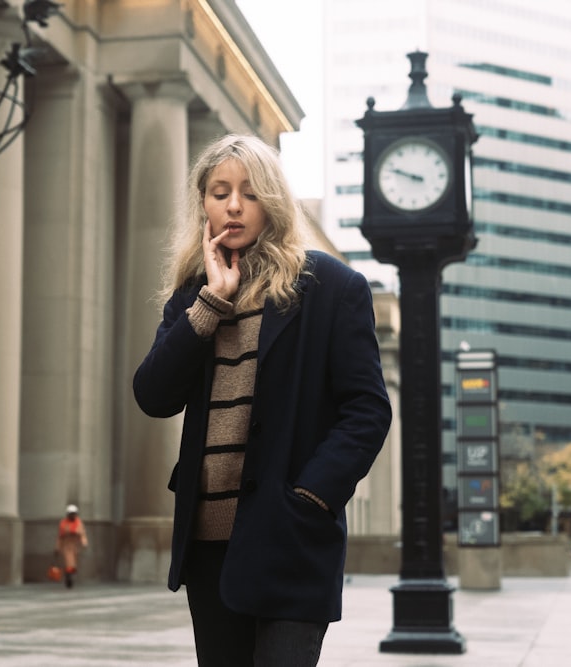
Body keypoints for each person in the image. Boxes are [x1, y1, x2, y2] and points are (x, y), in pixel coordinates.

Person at [132, 134, 392, 666]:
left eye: (249, 193)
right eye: (218, 191)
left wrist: (313, 497)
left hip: (291, 540)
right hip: (209, 548)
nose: (232, 205)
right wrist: (210, 306)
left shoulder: (331, 288)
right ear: (202, 204)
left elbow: (367, 410)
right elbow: (154, 396)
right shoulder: (193, 295)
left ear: (272, 200)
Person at [56, 504, 88, 588]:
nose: (73, 515)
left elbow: (82, 534)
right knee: (69, 562)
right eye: (71, 514)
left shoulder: (79, 522)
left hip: (76, 546)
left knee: (74, 564)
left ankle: (69, 574)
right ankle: (68, 576)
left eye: (74, 514)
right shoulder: (63, 522)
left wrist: (84, 543)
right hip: (67, 545)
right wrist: (57, 548)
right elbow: (60, 536)